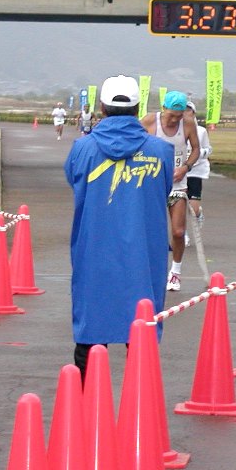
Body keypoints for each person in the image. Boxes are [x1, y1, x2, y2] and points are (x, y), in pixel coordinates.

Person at [64, 75, 173, 377]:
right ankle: (141, 399)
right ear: (138, 109)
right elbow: (164, 188)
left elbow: (74, 180)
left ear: (102, 107)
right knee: (142, 323)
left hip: (93, 250)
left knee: (91, 322)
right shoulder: (161, 151)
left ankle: (85, 397)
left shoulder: (82, 148)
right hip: (144, 253)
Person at [140, 91, 200, 292]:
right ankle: (146, 270)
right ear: (163, 108)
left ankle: (175, 271)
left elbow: (196, 149)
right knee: (150, 232)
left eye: (179, 115)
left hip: (177, 184)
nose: (175, 120)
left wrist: (185, 167)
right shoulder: (149, 121)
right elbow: (134, 144)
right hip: (153, 184)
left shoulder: (188, 123)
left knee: (178, 231)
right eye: (172, 115)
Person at [185, 101, 212, 225]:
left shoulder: (201, 131)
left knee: (193, 208)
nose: (185, 112)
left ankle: (198, 213)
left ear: (194, 113)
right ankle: (183, 232)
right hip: (179, 171)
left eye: (188, 110)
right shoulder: (175, 129)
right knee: (178, 204)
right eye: (183, 110)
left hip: (196, 171)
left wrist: (199, 153)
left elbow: (208, 149)